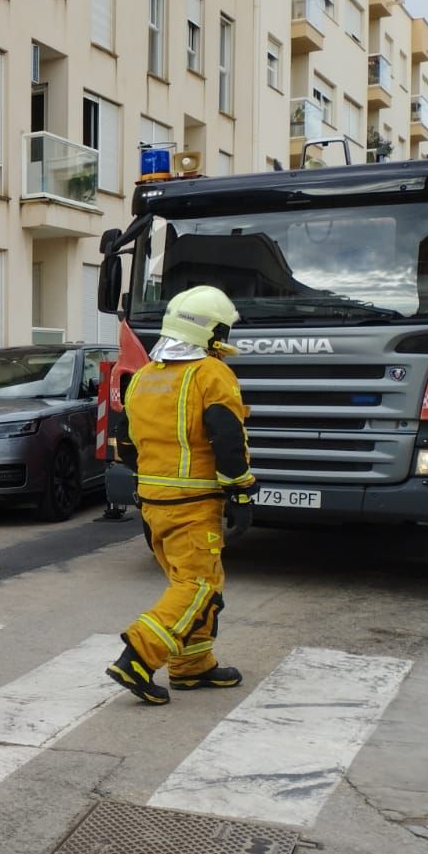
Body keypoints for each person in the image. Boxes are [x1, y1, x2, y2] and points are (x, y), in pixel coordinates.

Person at [107, 286, 256, 705]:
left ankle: (192, 666)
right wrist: (241, 492)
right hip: (193, 505)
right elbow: (227, 437)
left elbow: (128, 442)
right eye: (223, 328)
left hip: (155, 504)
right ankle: (138, 656)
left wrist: (154, 483)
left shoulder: (144, 378)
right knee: (197, 585)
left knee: (199, 583)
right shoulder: (210, 373)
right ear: (209, 330)